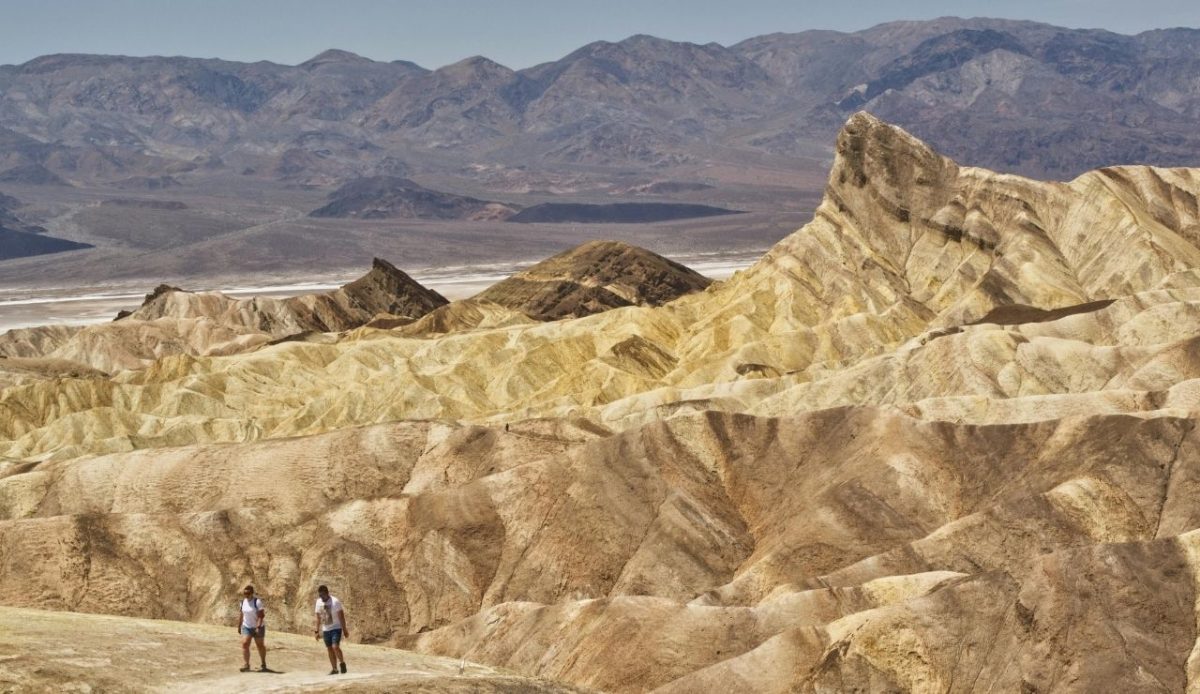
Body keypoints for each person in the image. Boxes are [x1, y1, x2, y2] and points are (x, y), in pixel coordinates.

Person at [314, 585, 349, 675]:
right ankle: (334, 669)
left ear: (327, 593)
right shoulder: (318, 602)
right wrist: (317, 631)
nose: (321, 598)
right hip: (326, 629)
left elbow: (341, 617)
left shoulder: (335, 602)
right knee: (329, 648)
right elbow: (318, 618)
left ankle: (342, 663)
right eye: (320, 595)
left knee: (335, 646)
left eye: (323, 595)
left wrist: (344, 630)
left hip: (336, 628)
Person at [236, 584, 267, 672]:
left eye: (248, 593)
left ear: (252, 593)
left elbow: (261, 616)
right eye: (245, 593)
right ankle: (246, 665)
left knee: (260, 645)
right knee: (245, 644)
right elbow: (242, 614)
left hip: (258, 626)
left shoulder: (257, 602)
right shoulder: (242, 602)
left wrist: (257, 627)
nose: (246, 595)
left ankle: (263, 663)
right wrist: (239, 625)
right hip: (247, 626)